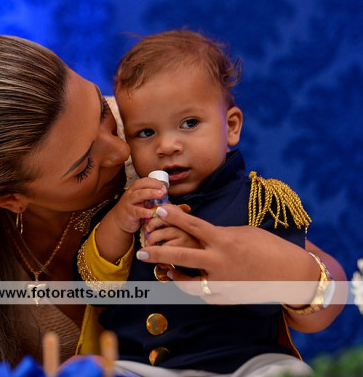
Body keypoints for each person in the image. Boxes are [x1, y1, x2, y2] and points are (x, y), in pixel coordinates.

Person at [0, 34, 345, 375]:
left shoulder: (154, 134)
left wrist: (287, 270)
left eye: (103, 113)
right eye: (83, 167)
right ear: (10, 199)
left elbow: (330, 292)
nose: (121, 152)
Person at [75, 30, 345, 376]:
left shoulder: (259, 201)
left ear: (230, 127)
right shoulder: (124, 206)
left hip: (242, 362)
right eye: (146, 133)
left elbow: (282, 291)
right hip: (141, 366)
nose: (167, 146)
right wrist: (116, 223)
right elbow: (93, 289)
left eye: (189, 123)